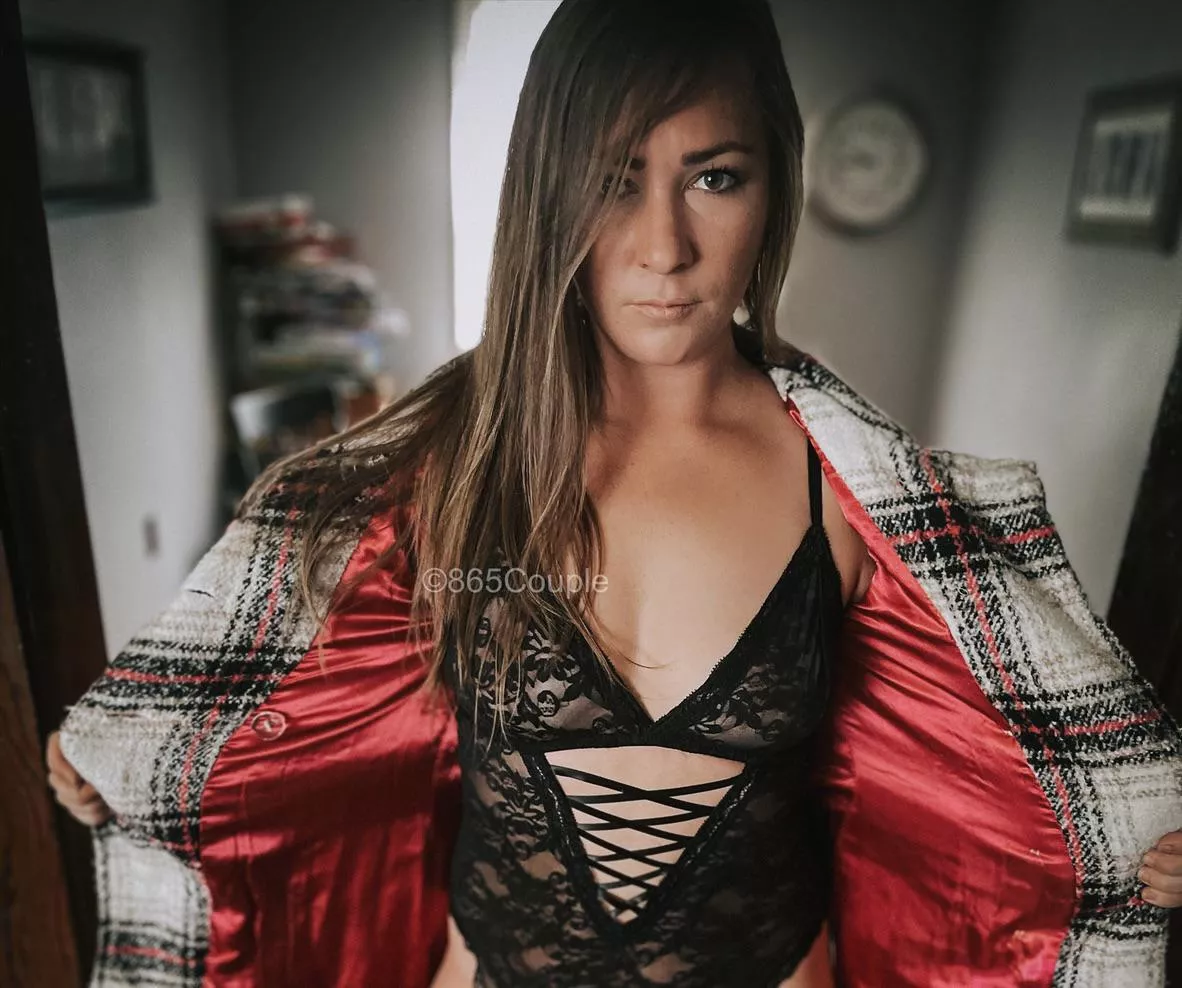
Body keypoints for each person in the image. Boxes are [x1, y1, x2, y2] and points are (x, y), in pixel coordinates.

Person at [48, 1, 1182, 986]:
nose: (663, 247)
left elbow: (1011, 794)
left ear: (774, 184)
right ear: (547, 195)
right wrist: (137, 767)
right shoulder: (441, 475)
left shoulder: (857, 496)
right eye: (611, 181)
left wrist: (1139, 843)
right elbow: (270, 738)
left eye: (714, 177)